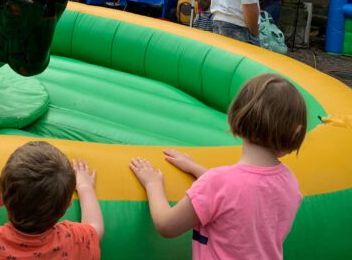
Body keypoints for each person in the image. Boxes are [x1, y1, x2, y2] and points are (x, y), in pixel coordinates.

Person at [130, 73, 307, 260]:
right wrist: (195, 168)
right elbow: (244, 190)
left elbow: (166, 225)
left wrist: (153, 184)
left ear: (240, 115)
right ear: (295, 134)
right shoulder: (290, 182)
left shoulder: (218, 183)